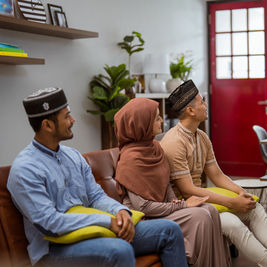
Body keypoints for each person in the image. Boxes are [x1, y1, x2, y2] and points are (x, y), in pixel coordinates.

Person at [7, 88, 187, 267]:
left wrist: (120, 212)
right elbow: (50, 222)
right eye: (67, 116)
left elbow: (96, 197)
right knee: (120, 250)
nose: (73, 120)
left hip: (95, 231)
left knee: (170, 230)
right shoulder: (25, 169)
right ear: (47, 125)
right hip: (54, 249)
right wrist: (107, 222)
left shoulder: (73, 156)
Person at [160, 80, 267, 267]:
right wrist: (232, 202)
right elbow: (187, 190)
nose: (206, 105)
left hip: (203, 202)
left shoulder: (201, 136)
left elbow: (216, 174)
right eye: (202, 102)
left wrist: (241, 193)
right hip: (186, 208)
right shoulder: (174, 142)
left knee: (254, 209)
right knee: (233, 223)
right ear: (190, 111)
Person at [113, 97, 231, 267]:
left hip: (164, 209)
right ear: (142, 123)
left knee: (210, 210)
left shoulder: (154, 147)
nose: (162, 120)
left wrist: (174, 200)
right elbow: (143, 207)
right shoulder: (130, 158)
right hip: (147, 219)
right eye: (156, 118)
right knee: (201, 216)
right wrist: (182, 206)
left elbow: (165, 182)